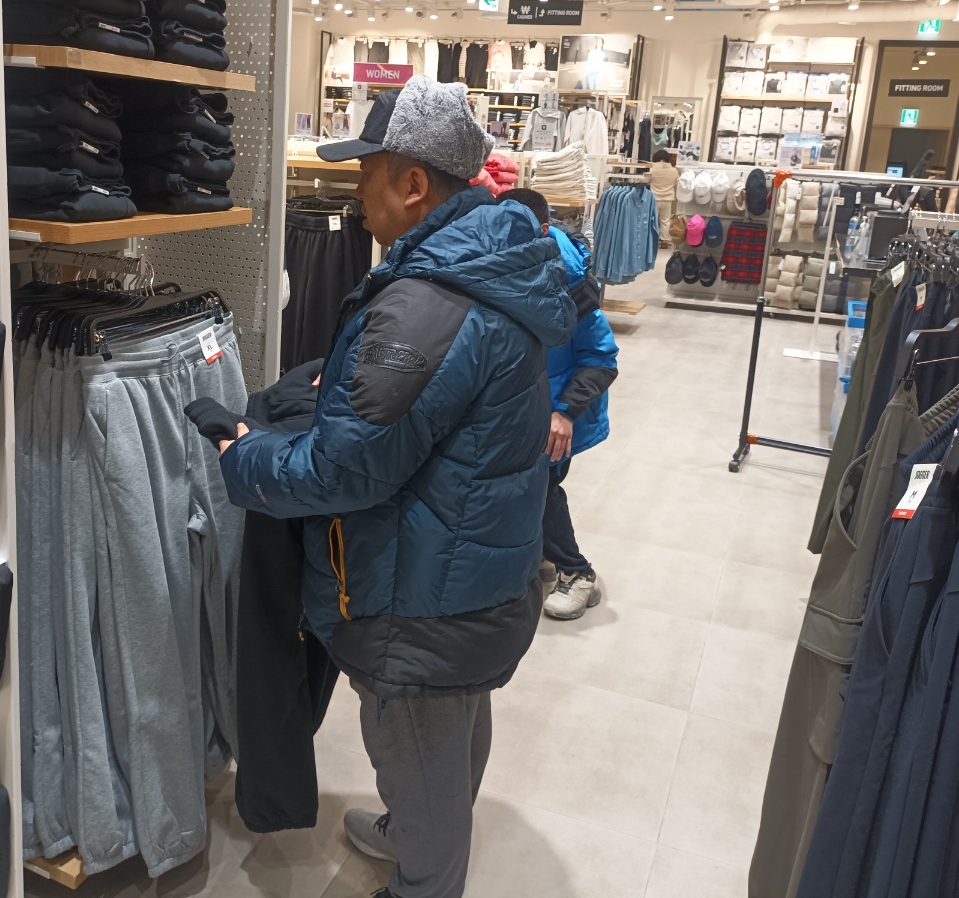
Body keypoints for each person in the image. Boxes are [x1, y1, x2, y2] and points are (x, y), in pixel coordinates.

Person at [184, 76, 574, 898]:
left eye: (365, 175)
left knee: (417, 735)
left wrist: (243, 455)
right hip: (470, 574)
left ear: (413, 184)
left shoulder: (426, 302)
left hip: (419, 597)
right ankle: (414, 827)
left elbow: (341, 470)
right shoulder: (486, 264)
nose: (354, 194)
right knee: (453, 722)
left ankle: (422, 874)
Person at [495, 189, 620, 619]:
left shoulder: (571, 282)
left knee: (541, 489)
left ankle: (577, 572)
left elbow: (602, 358)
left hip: (558, 412)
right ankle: (545, 557)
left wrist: (565, 412)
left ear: (544, 229)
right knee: (526, 488)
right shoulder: (512, 264)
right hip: (526, 405)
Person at [649, 149, 680, 248]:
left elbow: (646, 180)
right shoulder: (674, 170)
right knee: (665, 221)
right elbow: (676, 183)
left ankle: (651, 240)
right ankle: (664, 241)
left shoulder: (652, 169)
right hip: (668, 198)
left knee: (652, 220)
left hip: (654, 198)